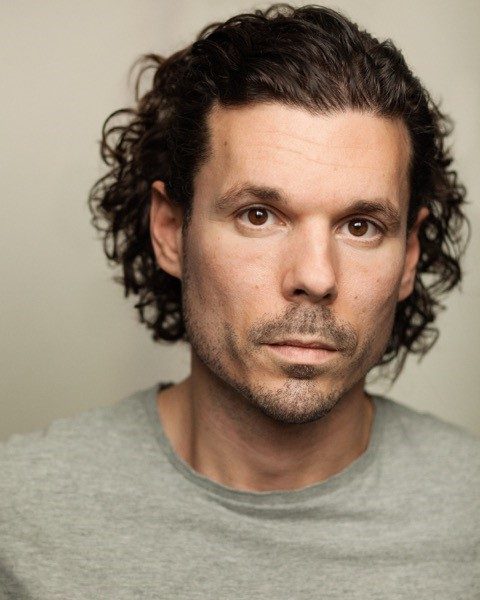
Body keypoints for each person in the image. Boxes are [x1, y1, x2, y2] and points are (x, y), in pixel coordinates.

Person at [1, 4, 478, 598]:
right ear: (171, 232)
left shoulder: (469, 515)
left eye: (361, 227)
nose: (315, 276)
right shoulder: (18, 516)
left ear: (408, 256)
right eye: (259, 216)